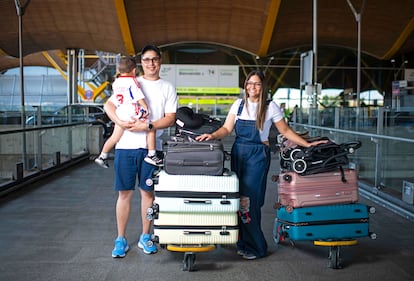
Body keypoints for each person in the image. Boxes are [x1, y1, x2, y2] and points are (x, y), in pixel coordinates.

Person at [196, 70, 327, 260]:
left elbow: (285, 130)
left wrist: (306, 144)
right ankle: (242, 242)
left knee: (251, 200)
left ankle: (257, 247)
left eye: (257, 84)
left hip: (257, 155)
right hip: (239, 153)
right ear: (245, 85)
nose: (252, 87)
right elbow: (226, 128)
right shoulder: (238, 105)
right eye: (250, 83)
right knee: (238, 198)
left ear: (263, 86)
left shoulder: (270, 106)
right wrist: (212, 136)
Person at [104, 45, 177, 258]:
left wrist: (148, 127)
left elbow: (170, 117)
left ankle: (145, 236)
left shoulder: (167, 87)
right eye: (147, 60)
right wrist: (119, 121)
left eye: (155, 59)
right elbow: (109, 106)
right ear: (140, 63)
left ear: (160, 61)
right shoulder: (129, 81)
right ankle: (121, 239)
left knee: (148, 193)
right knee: (124, 193)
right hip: (125, 147)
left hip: (151, 148)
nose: (151, 63)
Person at [94, 57, 163, 168]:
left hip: (120, 112)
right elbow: (138, 95)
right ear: (134, 70)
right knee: (151, 128)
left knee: (114, 137)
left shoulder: (116, 82)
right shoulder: (132, 81)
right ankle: (151, 155)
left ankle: (102, 156)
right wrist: (145, 107)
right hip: (131, 111)